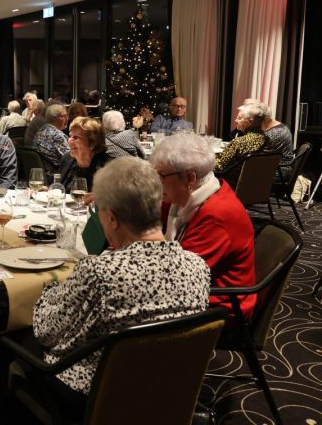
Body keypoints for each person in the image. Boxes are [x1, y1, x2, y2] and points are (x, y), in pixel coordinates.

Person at [32, 156, 210, 417]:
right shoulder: (198, 266)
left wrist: (46, 292)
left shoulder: (100, 272)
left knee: (19, 340)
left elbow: (45, 330)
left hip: (99, 397)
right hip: (169, 390)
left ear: (112, 219)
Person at [150, 134, 256, 318]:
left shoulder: (216, 215)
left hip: (222, 308)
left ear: (190, 178)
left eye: (161, 176)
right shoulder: (189, 194)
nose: (156, 182)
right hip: (197, 290)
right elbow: (148, 212)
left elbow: (175, 278)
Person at [214, 102, 273, 189]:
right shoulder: (268, 140)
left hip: (232, 185)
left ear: (250, 122)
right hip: (256, 186)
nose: (235, 120)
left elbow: (219, 168)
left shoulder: (239, 142)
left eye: (239, 118)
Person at [59, 117, 111, 190]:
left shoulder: (108, 167)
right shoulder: (67, 159)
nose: (70, 140)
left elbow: (113, 197)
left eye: (76, 137)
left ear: (92, 143)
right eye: (70, 136)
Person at [256, 100, 294, 182]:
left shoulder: (271, 134)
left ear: (260, 120)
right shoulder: (280, 126)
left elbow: (258, 158)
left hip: (278, 172)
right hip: (284, 168)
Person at [32, 103, 69, 179]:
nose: (67, 119)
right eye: (63, 116)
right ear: (53, 118)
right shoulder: (57, 136)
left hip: (42, 175)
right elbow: (69, 159)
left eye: (66, 115)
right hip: (56, 176)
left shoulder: (41, 130)